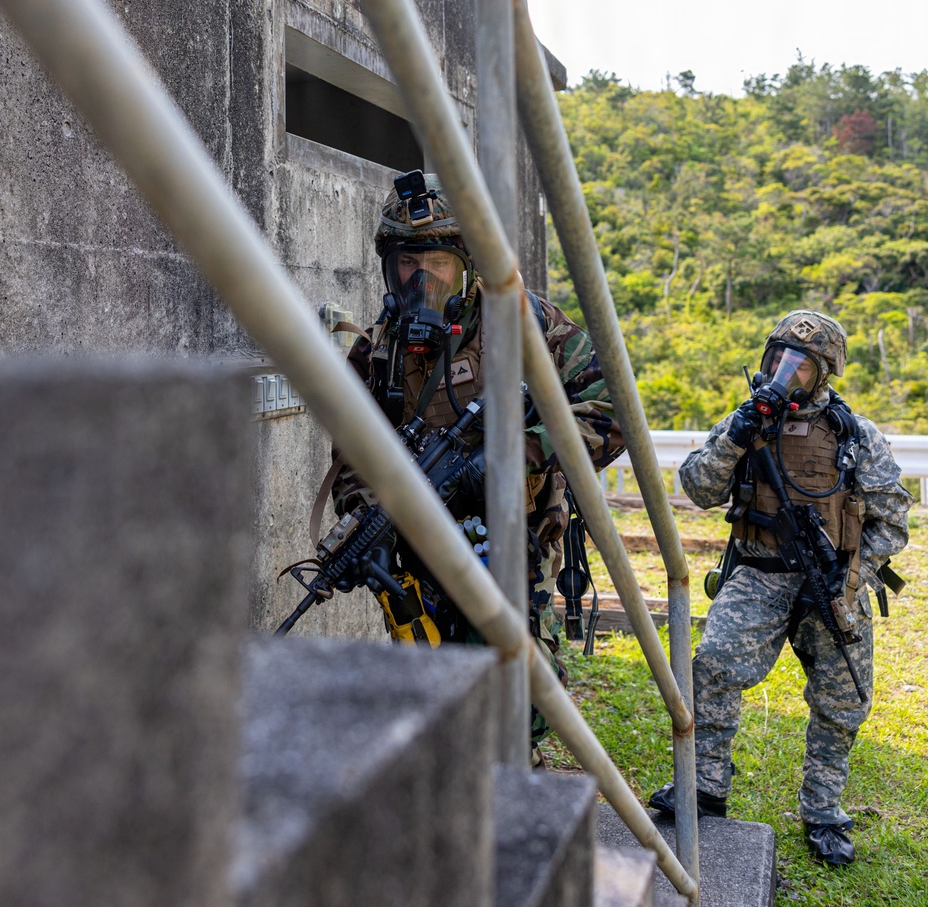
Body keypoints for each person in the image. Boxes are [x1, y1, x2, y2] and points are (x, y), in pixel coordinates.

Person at [331, 170, 623, 762]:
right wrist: (367, 521)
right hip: (421, 554)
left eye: (437, 262)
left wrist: (515, 457)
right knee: (432, 700)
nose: (422, 279)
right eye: (407, 264)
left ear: (466, 265)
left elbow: (609, 408)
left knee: (517, 696)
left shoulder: (522, 321)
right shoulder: (378, 351)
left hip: (513, 540)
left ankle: (515, 788)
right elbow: (351, 454)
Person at [649, 310, 910, 865]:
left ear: (824, 373)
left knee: (843, 700)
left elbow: (892, 522)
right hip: (759, 572)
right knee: (713, 667)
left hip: (833, 586)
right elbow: (698, 488)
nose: (784, 373)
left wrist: (852, 575)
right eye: (777, 360)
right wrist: (735, 437)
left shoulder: (855, 435)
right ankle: (706, 787)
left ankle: (823, 810)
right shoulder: (745, 421)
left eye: (801, 365)